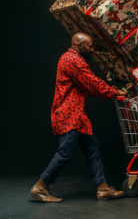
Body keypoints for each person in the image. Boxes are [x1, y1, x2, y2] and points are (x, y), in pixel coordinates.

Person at [30, 33, 127, 202]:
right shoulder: (73, 60)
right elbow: (92, 83)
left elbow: (87, 87)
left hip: (77, 115)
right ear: (80, 45)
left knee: (92, 148)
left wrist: (110, 91)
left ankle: (102, 189)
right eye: (90, 47)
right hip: (69, 114)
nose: (92, 50)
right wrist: (113, 92)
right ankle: (40, 187)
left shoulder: (70, 58)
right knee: (65, 152)